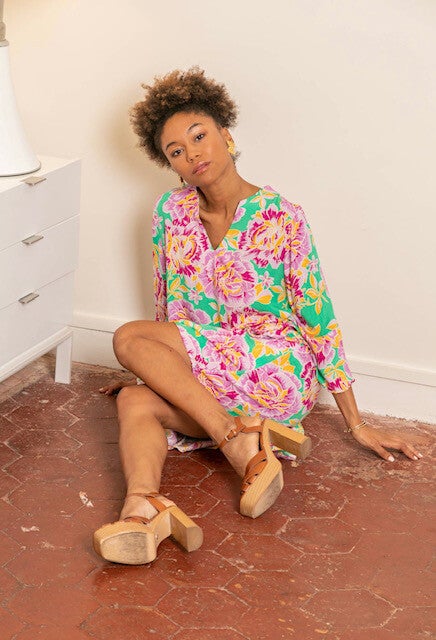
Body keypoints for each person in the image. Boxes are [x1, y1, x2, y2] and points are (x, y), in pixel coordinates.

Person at [93, 67, 423, 565]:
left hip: (276, 369)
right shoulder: (169, 213)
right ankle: (143, 509)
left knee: (126, 337)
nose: (192, 154)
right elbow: (167, 306)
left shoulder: (282, 216)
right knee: (136, 398)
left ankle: (238, 444)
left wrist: (357, 424)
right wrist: (152, 370)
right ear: (170, 164)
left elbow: (319, 317)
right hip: (214, 382)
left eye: (199, 136)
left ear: (226, 135)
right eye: (176, 151)